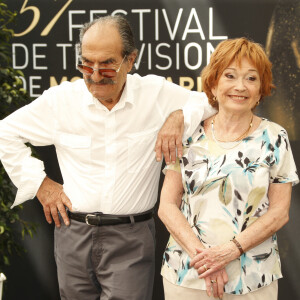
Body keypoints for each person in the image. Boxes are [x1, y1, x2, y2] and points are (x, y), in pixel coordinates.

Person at [0, 15, 215, 300]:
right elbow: (4, 132)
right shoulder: (61, 100)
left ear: (130, 60)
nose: (95, 74)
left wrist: (179, 115)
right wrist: (39, 183)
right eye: (87, 63)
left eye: (108, 64)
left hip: (131, 236)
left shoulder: (156, 94)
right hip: (71, 233)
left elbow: (211, 102)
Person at [158, 37, 299, 300]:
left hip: (254, 276)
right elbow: (167, 205)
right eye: (230, 76)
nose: (240, 87)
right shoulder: (188, 134)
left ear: (261, 88)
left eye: (251, 78)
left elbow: (280, 212)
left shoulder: (274, 137)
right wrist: (206, 260)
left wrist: (229, 251)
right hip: (187, 273)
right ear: (213, 82)